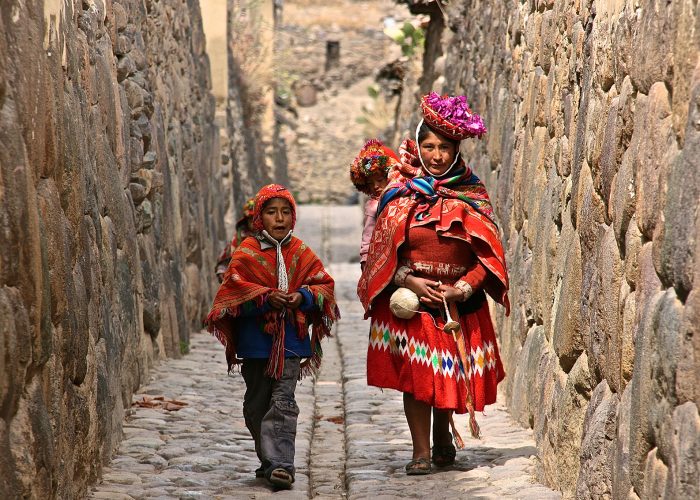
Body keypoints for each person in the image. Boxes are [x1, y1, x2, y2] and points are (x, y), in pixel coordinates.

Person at [357, 92, 510, 475]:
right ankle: (420, 451)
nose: (437, 154)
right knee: (417, 379)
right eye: (429, 146)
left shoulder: (471, 193)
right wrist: (408, 279)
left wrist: (464, 288)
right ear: (418, 146)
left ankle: (443, 437)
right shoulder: (398, 194)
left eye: (444, 147)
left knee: (447, 376)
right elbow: (377, 255)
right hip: (412, 302)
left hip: (457, 303)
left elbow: (488, 258)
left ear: (456, 149)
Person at [207, 184, 340, 489]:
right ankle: (268, 459)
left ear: (293, 217)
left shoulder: (302, 252)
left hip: (291, 343)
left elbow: (324, 286)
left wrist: (302, 298)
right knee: (256, 406)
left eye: (285, 212)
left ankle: (281, 464)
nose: (279, 218)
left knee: (282, 402)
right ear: (259, 218)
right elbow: (232, 292)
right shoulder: (246, 253)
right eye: (271, 212)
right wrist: (265, 298)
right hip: (255, 345)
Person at [349, 139, 400, 270]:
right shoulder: (373, 206)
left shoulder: (405, 194)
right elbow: (368, 236)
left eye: (380, 180)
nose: (376, 186)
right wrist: (365, 261)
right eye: (371, 184)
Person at [215, 196, 256, 283]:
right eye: (251, 219)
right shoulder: (239, 239)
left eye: (256, 219)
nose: (254, 222)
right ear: (246, 220)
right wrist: (222, 272)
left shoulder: (271, 238)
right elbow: (224, 262)